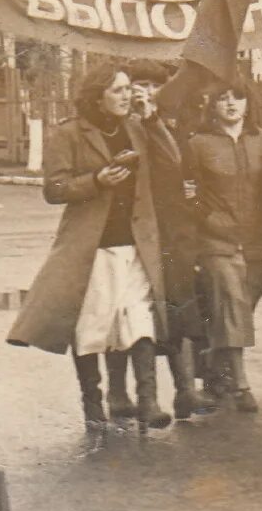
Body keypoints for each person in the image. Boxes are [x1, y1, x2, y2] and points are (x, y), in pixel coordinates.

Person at [9, 66, 171, 431]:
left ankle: (149, 401)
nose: (127, 96)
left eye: (129, 89)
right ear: (97, 96)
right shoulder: (70, 133)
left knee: (140, 319)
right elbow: (54, 189)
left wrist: (153, 119)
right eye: (117, 90)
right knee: (93, 324)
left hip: (135, 242)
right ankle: (93, 404)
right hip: (93, 246)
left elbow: (169, 161)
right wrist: (96, 181)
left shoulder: (135, 128)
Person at [125, 59, 214, 421]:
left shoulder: (165, 127)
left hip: (172, 234)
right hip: (135, 232)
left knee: (178, 308)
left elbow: (179, 167)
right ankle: (144, 397)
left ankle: (184, 391)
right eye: (138, 85)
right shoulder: (123, 126)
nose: (144, 93)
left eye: (152, 86)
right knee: (138, 313)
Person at [185, 77, 262, 412]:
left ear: (249, 104)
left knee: (248, 296)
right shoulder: (198, 144)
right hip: (215, 240)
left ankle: (212, 366)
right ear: (213, 105)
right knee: (233, 302)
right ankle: (241, 384)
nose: (231, 104)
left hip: (255, 239)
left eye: (238, 98)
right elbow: (186, 194)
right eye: (223, 99)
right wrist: (209, 220)